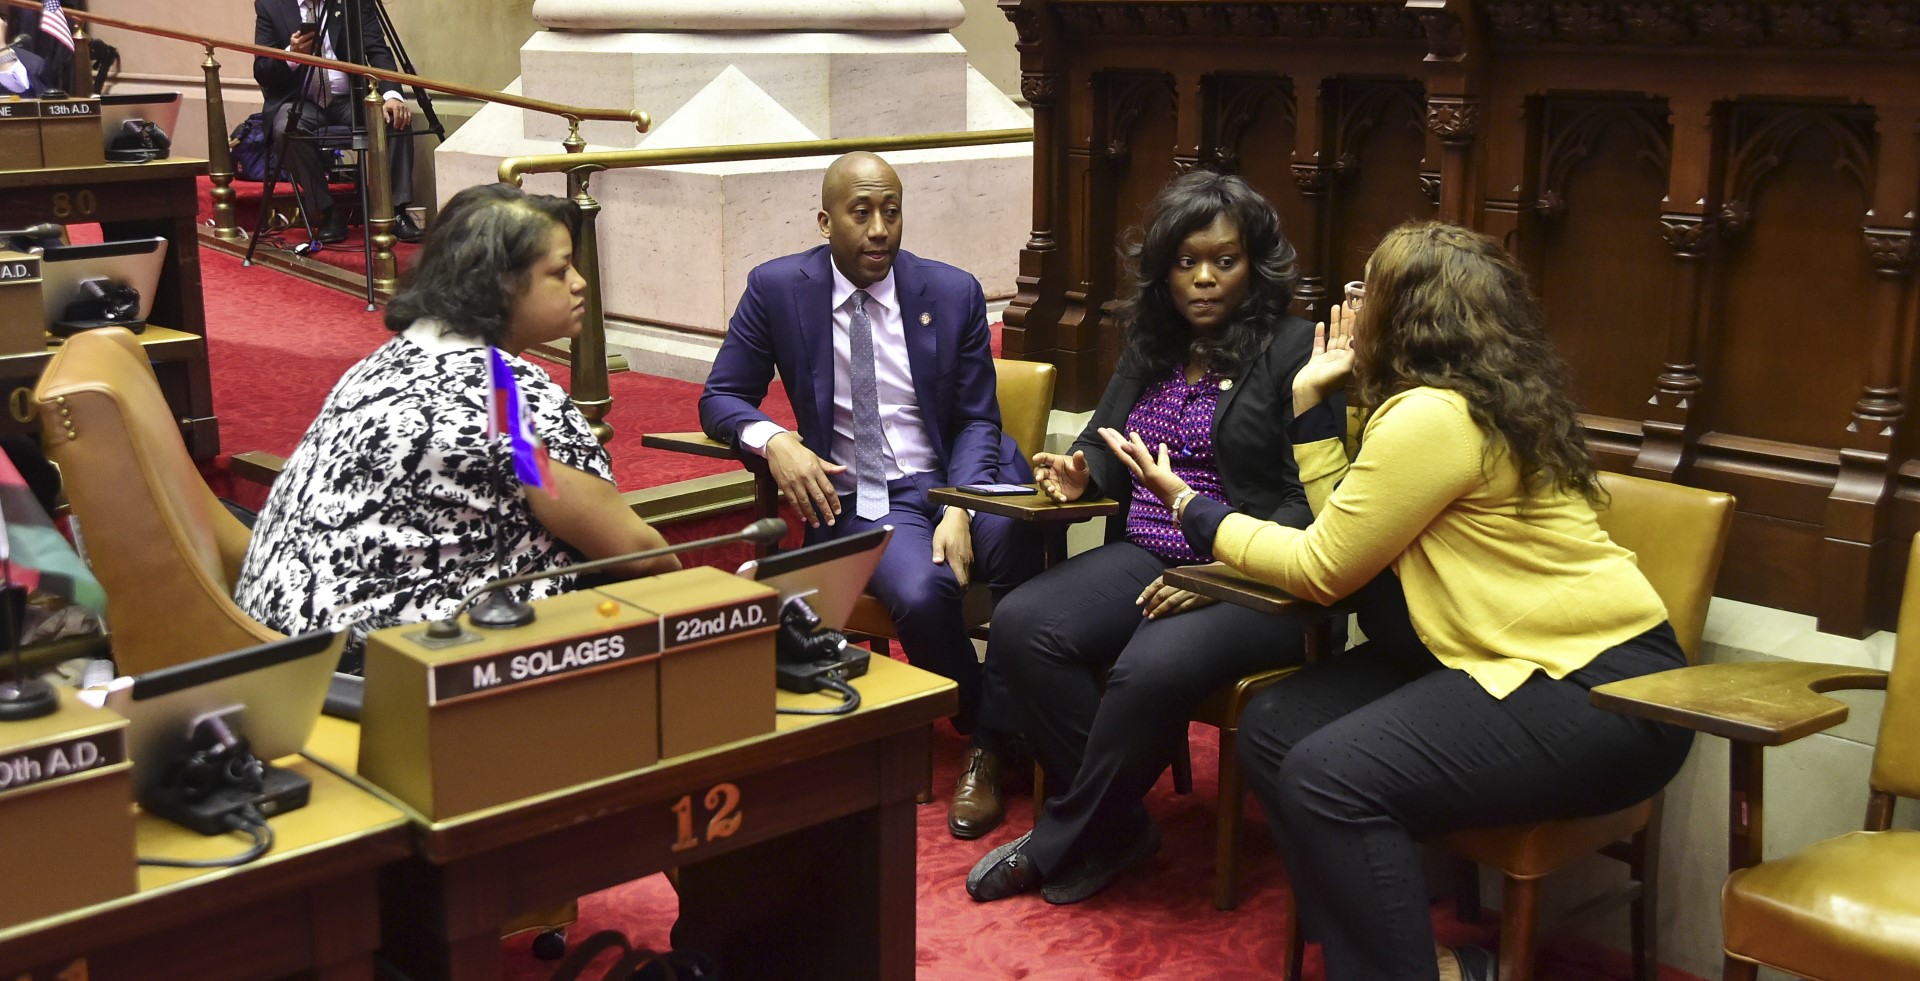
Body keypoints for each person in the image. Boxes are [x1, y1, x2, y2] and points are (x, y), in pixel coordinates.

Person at [1103, 222, 1695, 981]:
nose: (1352, 302)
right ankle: (1412, 959)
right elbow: (1351, 536)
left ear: (1407, 311)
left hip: (1598, 688)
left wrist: (1191, 507)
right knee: (1276, 727)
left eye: (1366, 288)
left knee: (1330, 775)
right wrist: (1312, 405)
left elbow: (1320, 570)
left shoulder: (1433, 418)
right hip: (1499, 659)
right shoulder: (1457, 403)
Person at [962, 170, 1341, 901]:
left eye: (1224, 261)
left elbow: (1315, 508)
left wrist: (1220, 568)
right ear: (1164, 267)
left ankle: (1059, 838)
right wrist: (1083, 471)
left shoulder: (1298, 352)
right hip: (1146, 553)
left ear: (1254, 264)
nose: (1203, 279)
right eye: (1185, 261)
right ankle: (1120, 824)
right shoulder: (1153, 342)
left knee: (1147, 667)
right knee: (1021, 624)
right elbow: (1112, 446)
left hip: (1251, 580)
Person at [700, 151, 1043, 834]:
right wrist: (776, 441)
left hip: (959, 472)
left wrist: (960, 504)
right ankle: (988, 730)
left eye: (892, 210)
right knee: (922, 589)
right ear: (827, 221)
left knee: (1022, 542)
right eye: (862, 213)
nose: (881, 228)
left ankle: (1013, 726)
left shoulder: (950, 292)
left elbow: (979, 417)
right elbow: (721, 397)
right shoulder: (777, 288)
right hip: (862, 496)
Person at [235, 183, 677, 671]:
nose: (580, 283)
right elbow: (636, 554)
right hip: (391, 668)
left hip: (277, 645)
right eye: (559, 270)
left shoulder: (382, 363)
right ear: (499, 284)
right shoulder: (507, 395)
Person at [252, 0, 420, 245]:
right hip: (300, 99)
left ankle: (396, 212)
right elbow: (262, 69)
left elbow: (377, 51)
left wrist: (392, 95)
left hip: (349, 98)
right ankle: (327, 212)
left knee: (394, 118)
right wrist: (291, 54)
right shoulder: (271, 5)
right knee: (285, 129)